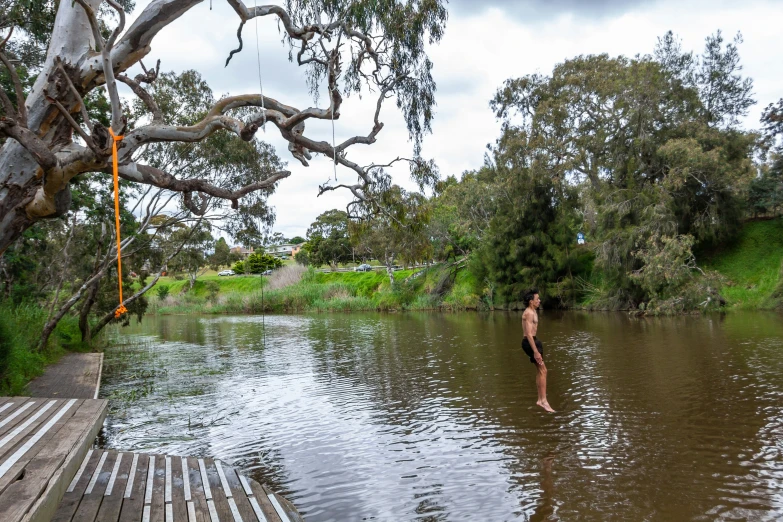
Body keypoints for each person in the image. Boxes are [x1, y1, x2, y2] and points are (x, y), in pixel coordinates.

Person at [521, 288, 555, 412]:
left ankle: (541, 399)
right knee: (543, 370)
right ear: (531, 301)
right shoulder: (529, 313)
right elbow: (529, 334)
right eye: (537, 299)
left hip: (534, 341)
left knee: (541, 370)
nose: (539, 300)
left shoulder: (532, 311)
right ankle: (543, 401)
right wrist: (535, 352)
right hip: (530, 343)